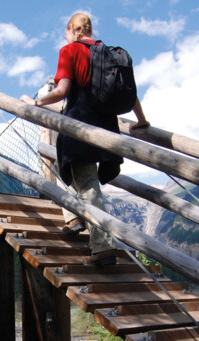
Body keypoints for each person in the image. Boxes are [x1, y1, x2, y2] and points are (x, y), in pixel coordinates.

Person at [20, 12, 150, 267]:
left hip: (79, 124)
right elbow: (129, 93)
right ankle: (74, 217)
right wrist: (142, 120)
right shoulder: (109, 54)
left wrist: (34, 102)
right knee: (66, 168)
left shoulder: (70, 50)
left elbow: (62, 91)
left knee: (86, 181)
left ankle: (102, 247)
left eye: (66, 32)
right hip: (106, 127)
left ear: (71, 30)